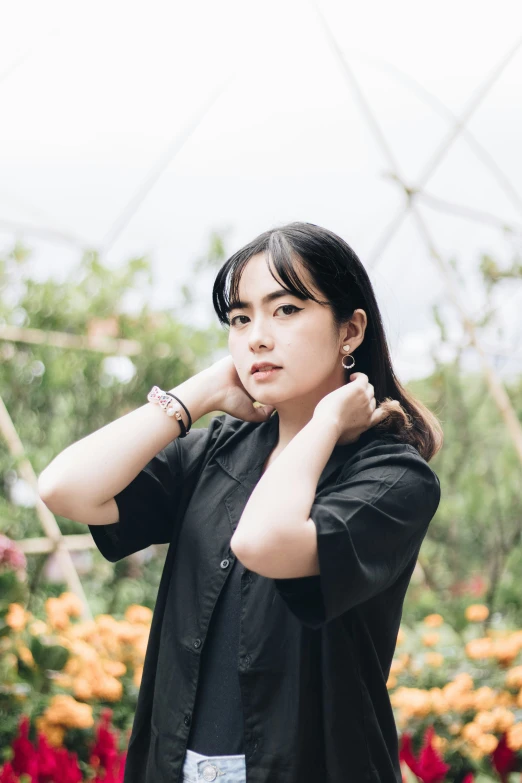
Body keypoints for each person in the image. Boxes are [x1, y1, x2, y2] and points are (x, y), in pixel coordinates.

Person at [38, 221, 443, 783]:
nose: (257, 336)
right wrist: (199, 393)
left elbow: (263, 542)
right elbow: (65, 487)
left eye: (286, 310)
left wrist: (324, 421)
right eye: (239, 318)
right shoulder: (215, 449)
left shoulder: (393, 476)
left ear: (349, 331)